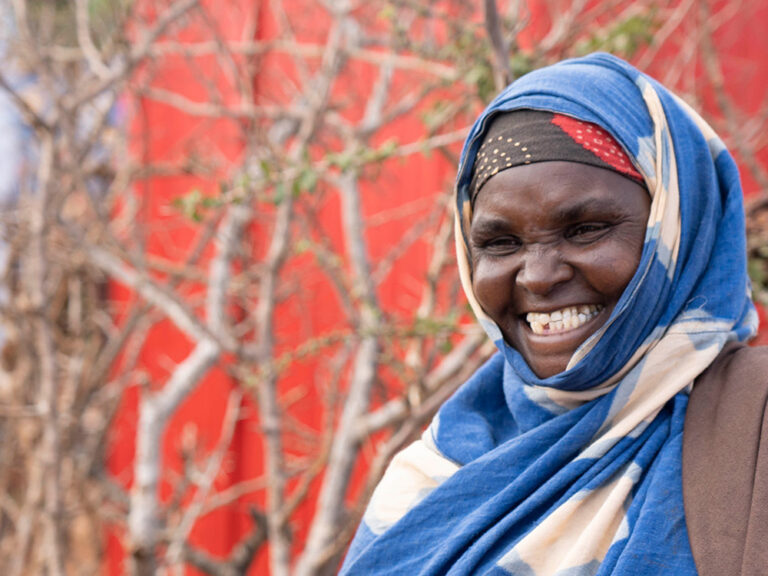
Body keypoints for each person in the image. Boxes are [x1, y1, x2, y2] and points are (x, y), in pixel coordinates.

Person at [339, 53, 768, 575]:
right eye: (500, 242)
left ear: (677, 229)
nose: (537, 277)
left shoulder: (751, 433)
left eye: (586, 229)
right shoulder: (435, 474)